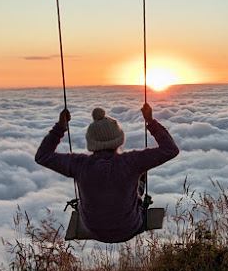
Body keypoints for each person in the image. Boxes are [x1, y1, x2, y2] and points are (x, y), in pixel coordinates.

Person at [35, 103, 179, 243]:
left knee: (134, 183)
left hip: (93, 229)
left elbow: (42, 156)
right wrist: (150, 121)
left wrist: (60, 127)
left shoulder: (79, 164)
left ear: (91, 141)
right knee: (140, 179)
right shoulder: (132, 161)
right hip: (130, 227)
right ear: (119, 138)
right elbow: (170, 150)